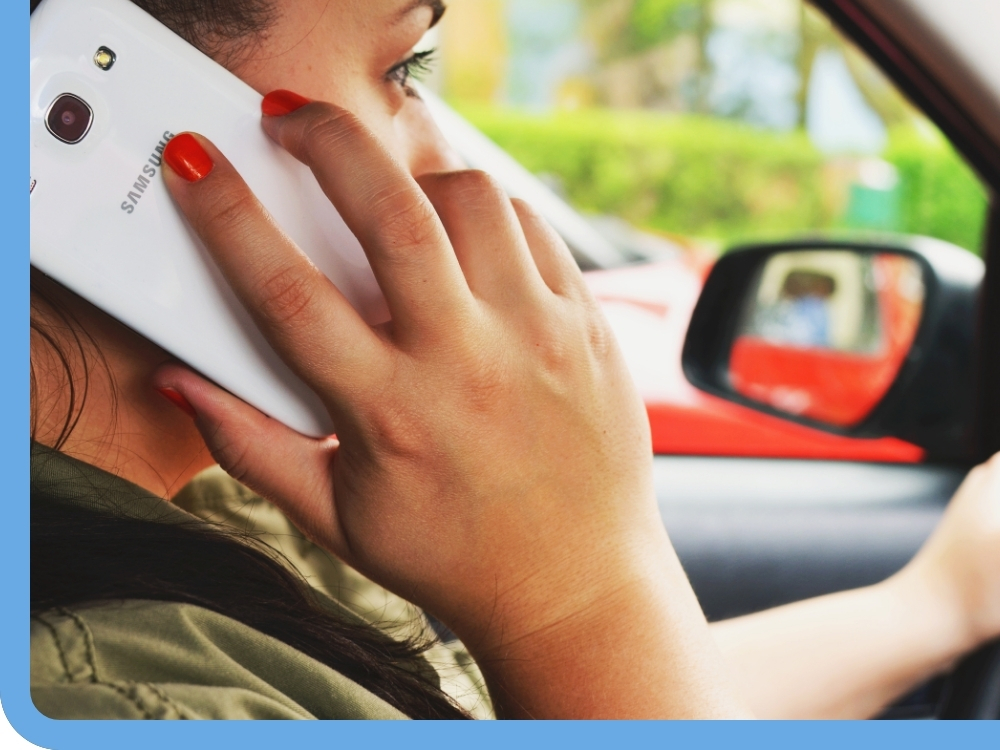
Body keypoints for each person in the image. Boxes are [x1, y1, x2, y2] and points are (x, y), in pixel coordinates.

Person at [29, 0, 1000, 720]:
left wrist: (933, 603)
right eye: (407, 64)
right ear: (91, 94)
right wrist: (580, 592)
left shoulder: (227, 500)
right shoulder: (116, 702)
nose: (455, 160)